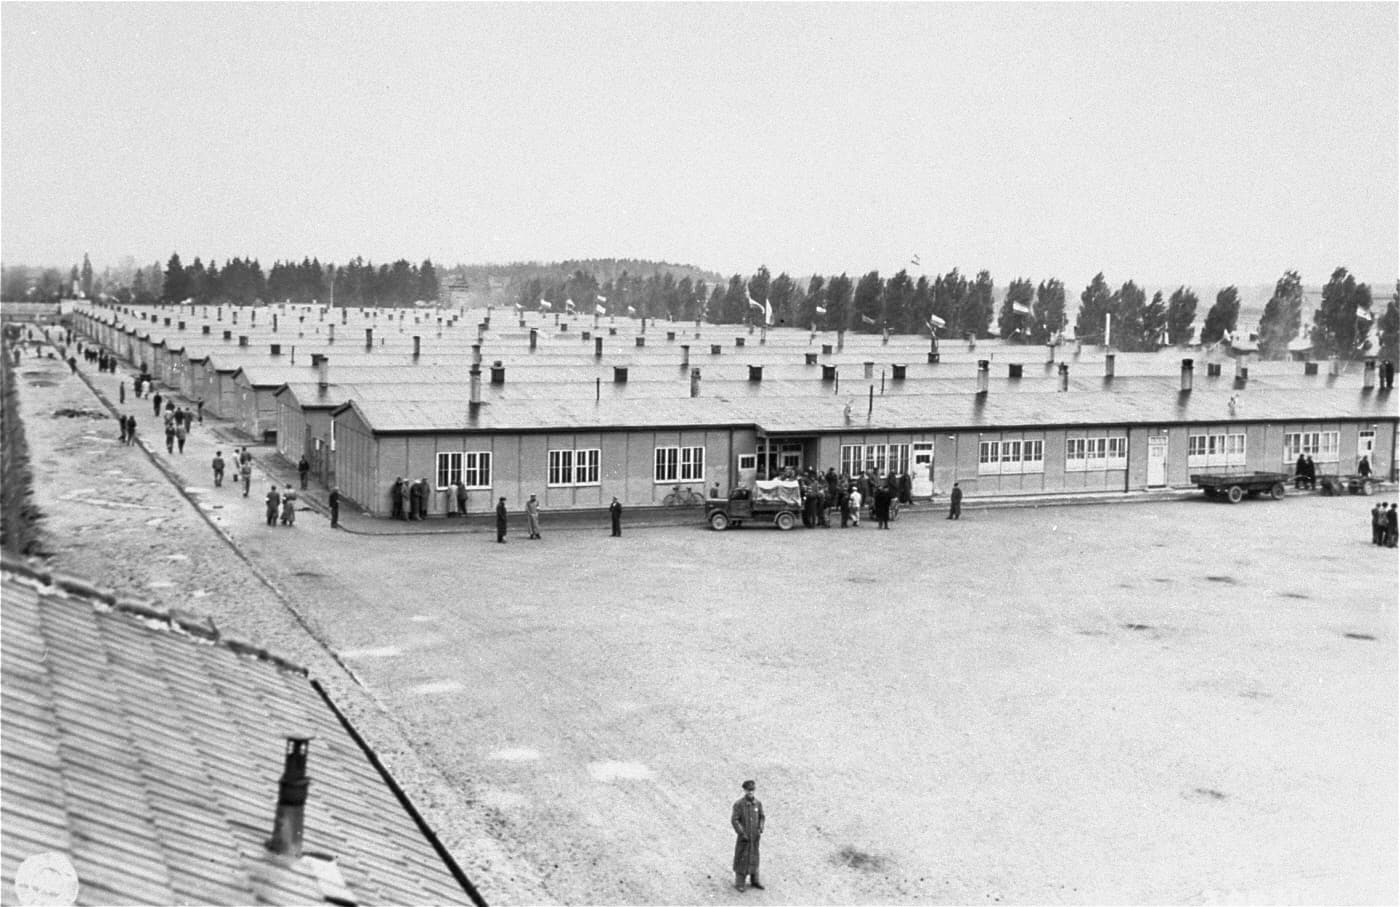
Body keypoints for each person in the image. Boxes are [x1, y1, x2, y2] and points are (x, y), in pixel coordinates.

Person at [731, 780, 765, 891]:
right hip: (744, 838)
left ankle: (755, 880)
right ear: (744, 790)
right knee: (742, 858)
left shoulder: (758, 804)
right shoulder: (739, 804)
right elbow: (735, 820)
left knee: (754, 857)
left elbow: (762, 817)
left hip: (754, 838)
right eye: (748, 790)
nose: (750, 792)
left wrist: (760, 828)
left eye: (752, 790)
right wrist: (742, 833)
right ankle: (739, 883)